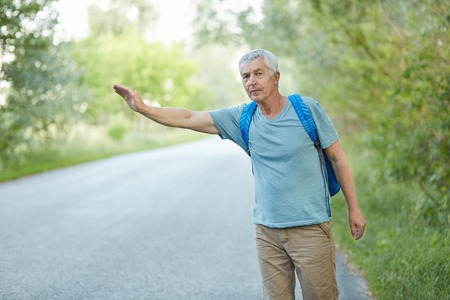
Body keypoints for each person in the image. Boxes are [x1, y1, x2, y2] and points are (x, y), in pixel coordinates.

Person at [113, 49, 366, 300]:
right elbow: (189, 117)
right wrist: (144, 108)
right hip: (267, 232)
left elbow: (338, 158)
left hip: (310, 228)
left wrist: (354, 208)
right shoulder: (242, 118)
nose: (251, 81)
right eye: (245, 76)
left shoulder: (307, 110)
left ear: (276, 77)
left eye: (258, 74)